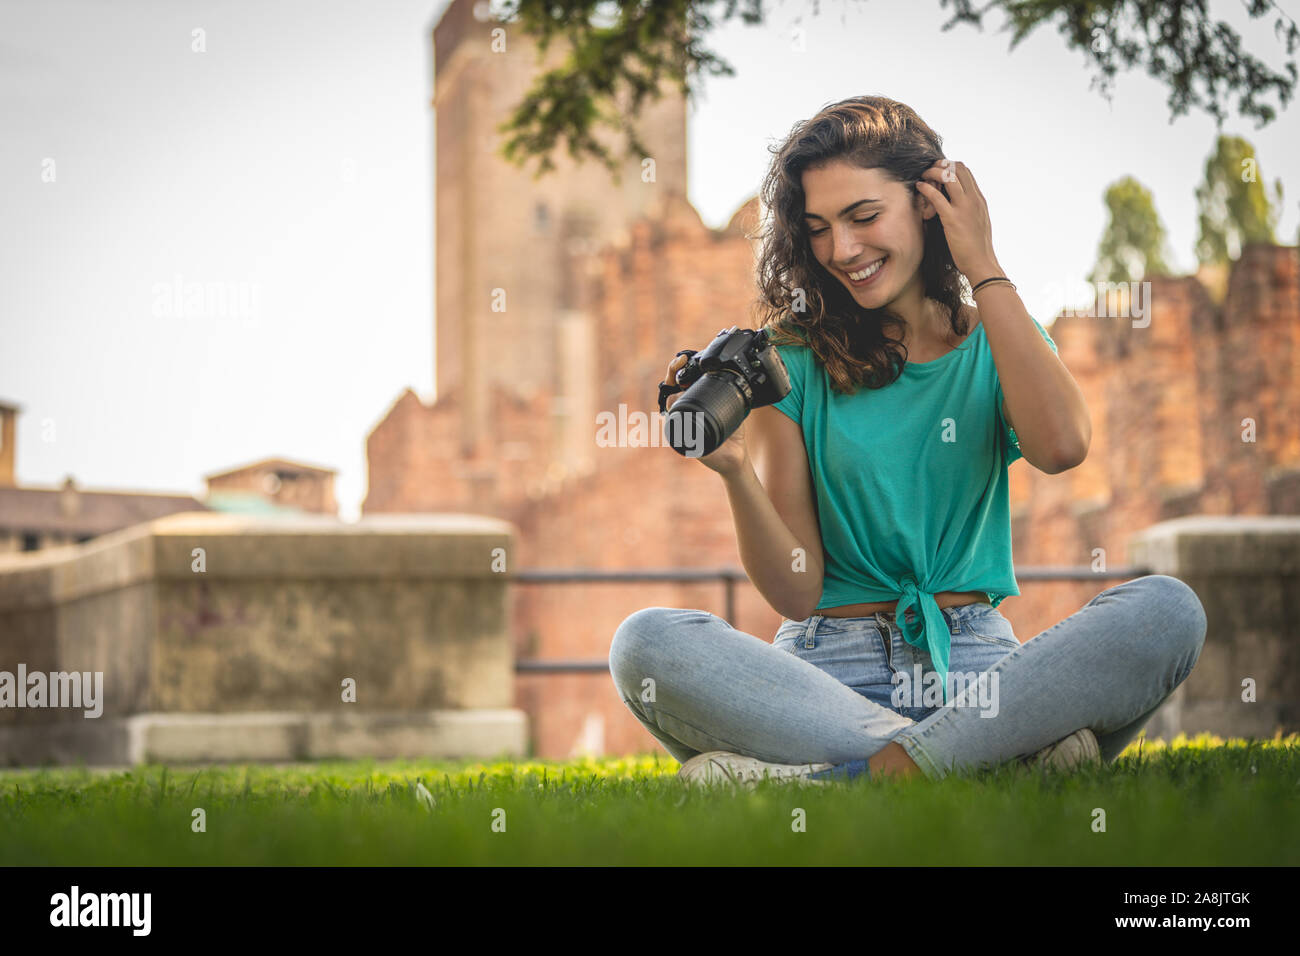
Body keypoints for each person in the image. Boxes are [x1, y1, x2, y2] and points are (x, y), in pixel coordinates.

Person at [608, 95, 1206, 785]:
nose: (843, 250)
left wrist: (983, 260)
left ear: (930, 202)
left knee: (1168, 611)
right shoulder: (792, 358)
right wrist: (735, 473)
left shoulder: (994, 337)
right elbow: (797, 592)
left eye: (864, 217)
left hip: (978, 669)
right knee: (645, 643)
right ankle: (985, 769)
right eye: (820, 229)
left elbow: (1063, 446)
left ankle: (841, 784)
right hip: (826, 682)